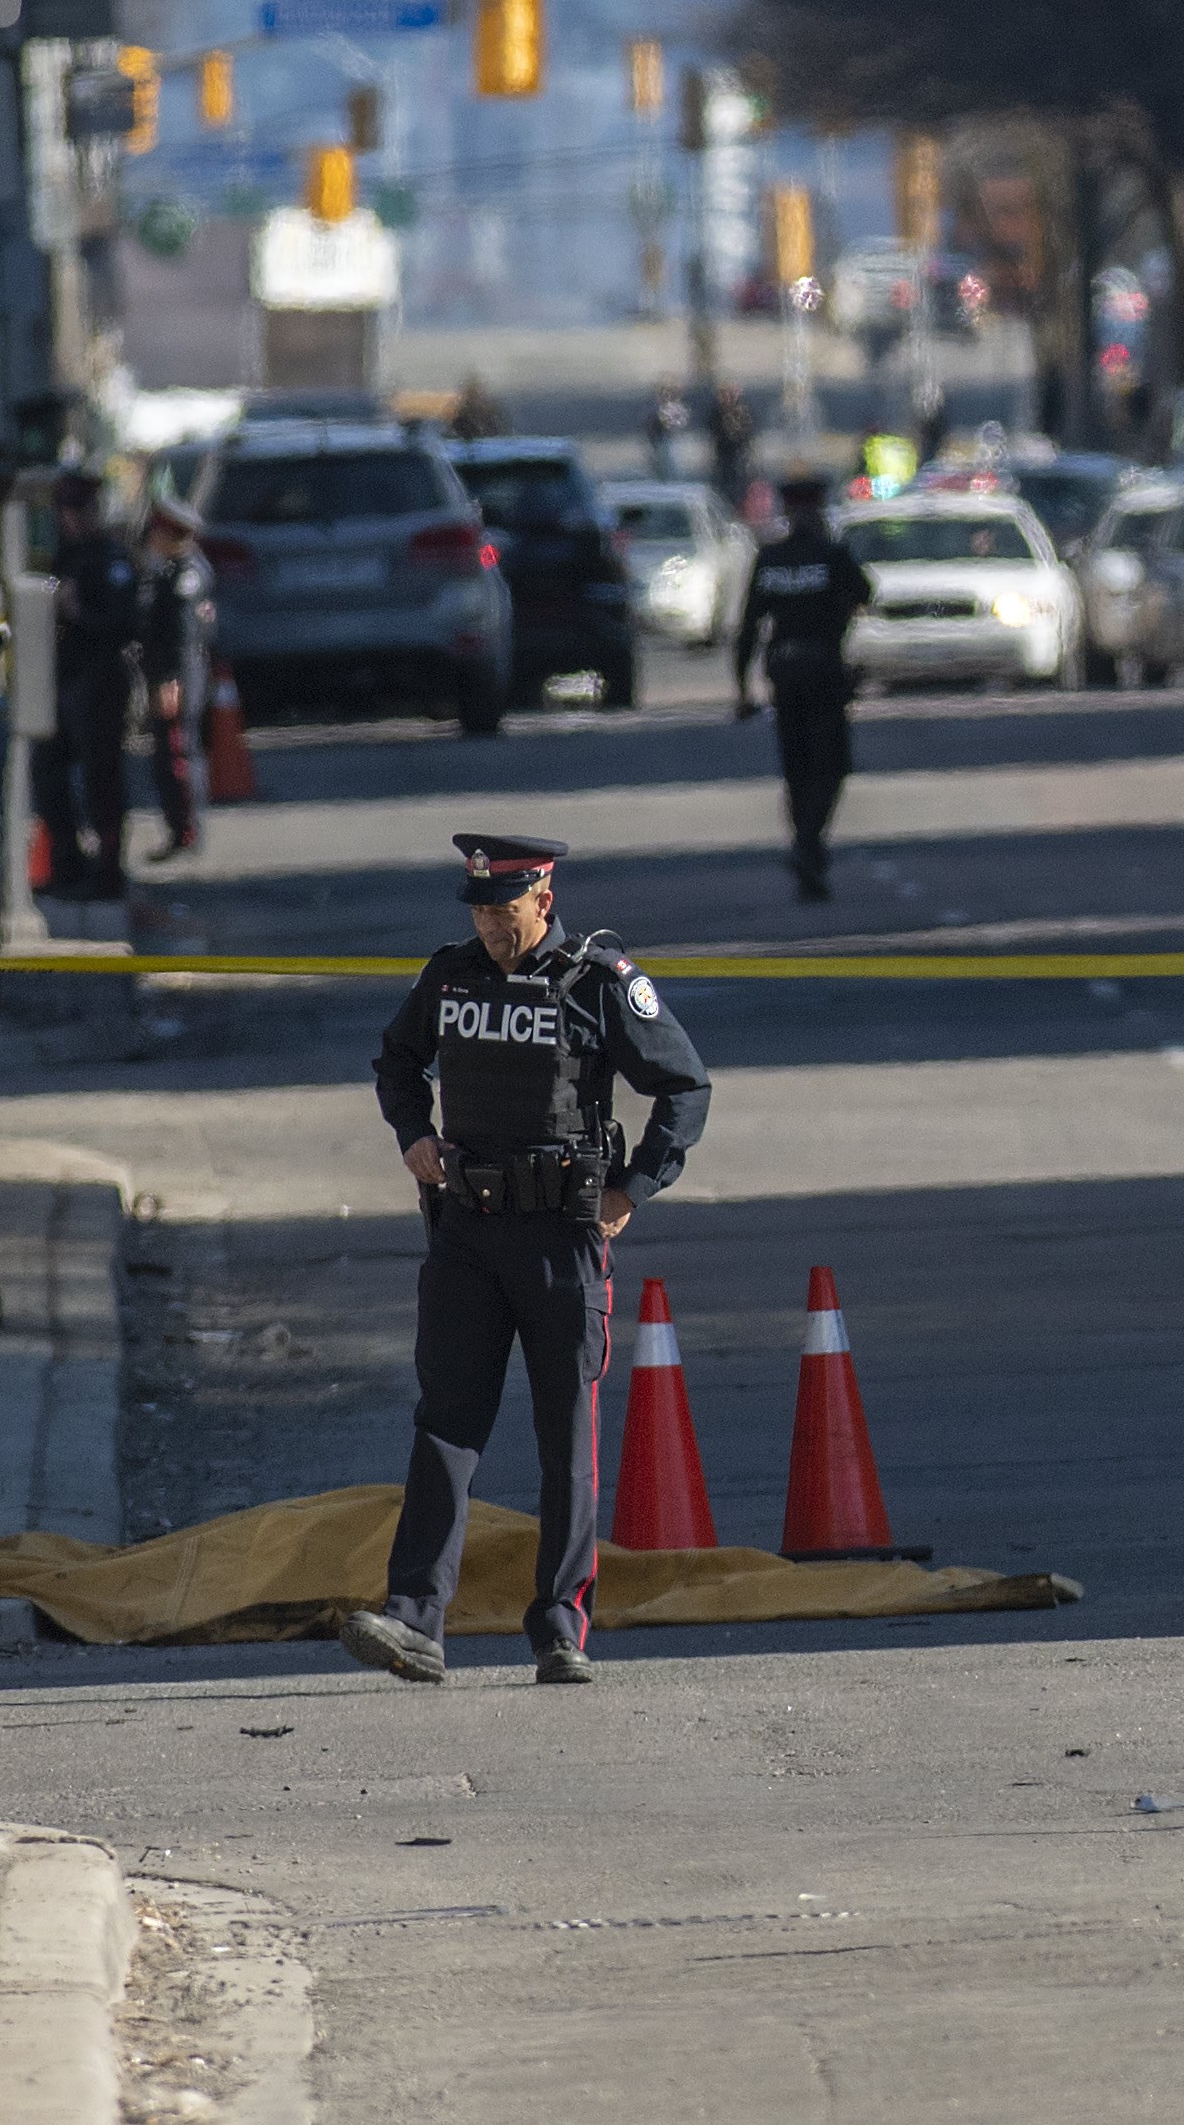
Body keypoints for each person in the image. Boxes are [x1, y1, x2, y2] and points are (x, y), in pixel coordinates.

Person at [333, 834, 711, 1688]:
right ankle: (414, 1622)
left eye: (503, 913)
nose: (490, 928)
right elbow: (396, 1060)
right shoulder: (452, 976)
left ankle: (559, 1630)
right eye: (479, 912)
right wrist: (414, 1135)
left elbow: (685, 1087)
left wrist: (633, 1189)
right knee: (445, 1427)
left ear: (543, 899)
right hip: (467, 1232)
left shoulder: (599, 983)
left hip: (560, 1239)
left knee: (562, 1440)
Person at [729, 480, 876, 899]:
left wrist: (742, 688)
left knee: (797, 769)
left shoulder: (771, 559)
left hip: (785, 672)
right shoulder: (831, 555)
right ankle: (809, 841)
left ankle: (805, 844)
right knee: (830, 765)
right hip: (824, 672)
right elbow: (865, 593)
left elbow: (749, 628)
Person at [37, 472, 140, 902]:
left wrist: (75, 609)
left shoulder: (109, 557)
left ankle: (109, 868)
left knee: (102, 776)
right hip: (64, 677)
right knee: (49, 772)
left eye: (80, 510)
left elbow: (120, 624)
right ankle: (68, 861)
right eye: (67, 511)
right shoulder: (64, 557)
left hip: (100, 678)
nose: (73, 519)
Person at [136, 494, 216, 858]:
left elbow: (182, 635)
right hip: (168, 671)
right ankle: (178, 827)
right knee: (168, 754)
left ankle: (186, 829)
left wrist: (171, 680)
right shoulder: (169, 571)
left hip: (178, 674)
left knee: (179, 753)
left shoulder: (187, 576)